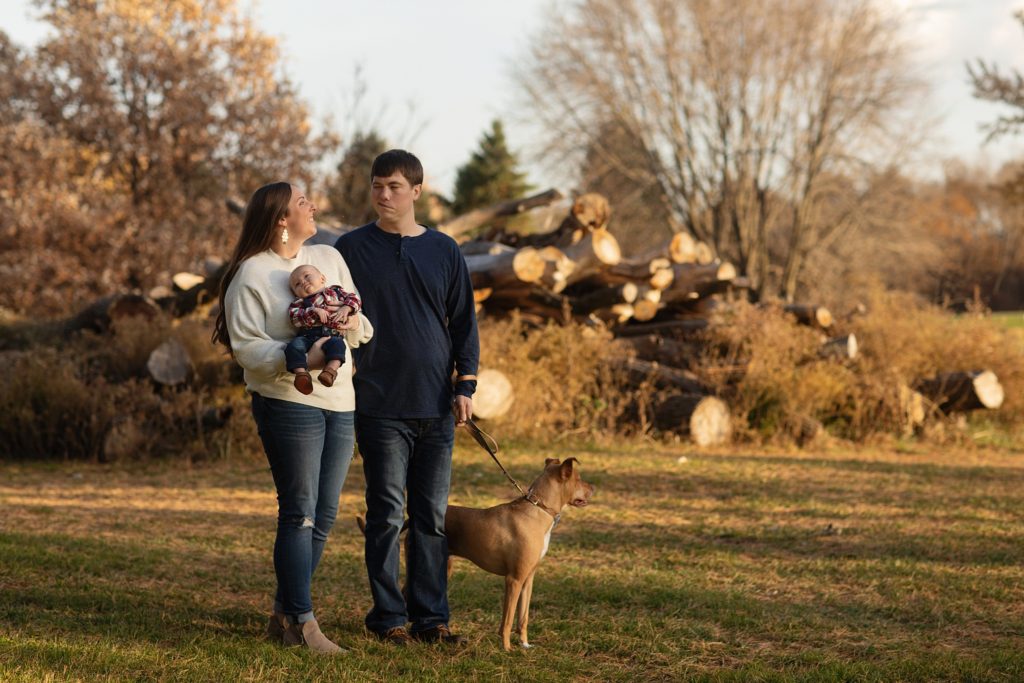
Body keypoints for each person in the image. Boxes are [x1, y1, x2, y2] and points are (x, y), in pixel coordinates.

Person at [212, 181, 373, 654]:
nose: (314, 206)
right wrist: (298, 353)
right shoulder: (251, 273)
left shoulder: (330, 257)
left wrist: (346, 326)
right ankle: (304, 624)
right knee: (299, 512)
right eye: (303, 202)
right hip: (287, 402)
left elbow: (361, 325)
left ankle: (285, 614)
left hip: (340, 402)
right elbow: (246, 348)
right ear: (282, 218)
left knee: (323, 515)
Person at [335, 150, 479, 646]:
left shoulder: (444, 250)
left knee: (432, 519)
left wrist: (467, 384)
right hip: (377, 403)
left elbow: (464, 322)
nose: (384, 194)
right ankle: (387, 618)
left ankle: (432, 620)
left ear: (417, 191)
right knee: (385, 515)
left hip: (436, 406)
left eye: (394, 186)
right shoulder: (350, 248)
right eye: (377, 185)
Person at [285, 264, 361, 395]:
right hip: (307, 337)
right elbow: (295, 319)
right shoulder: (299, 303)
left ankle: (330, 371)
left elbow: (355, 299)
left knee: (338, 346)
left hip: (332, 335)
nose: (303, 282)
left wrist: (346, 308)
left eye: (307, 276)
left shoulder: (336, 292)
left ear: (322, 278)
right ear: (295, 293)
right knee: (293, 346)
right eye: (297, 284)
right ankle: (301, 375)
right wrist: (313, 310)